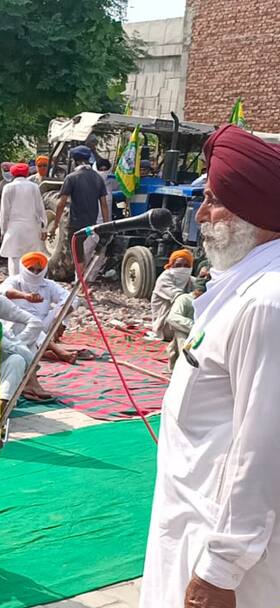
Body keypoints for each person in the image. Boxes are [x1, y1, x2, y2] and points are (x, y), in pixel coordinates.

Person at [140, 125, 280, 607]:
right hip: (189, 517)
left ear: (257, 213)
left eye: (215, 201)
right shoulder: (242, 284)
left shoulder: (268, 302)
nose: (200, 214)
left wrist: (220, 569)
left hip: (223, 550)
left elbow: (264, 448)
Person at [0, 251, 82, 362]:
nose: (35, 273)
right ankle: (57, 350)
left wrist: (59, 318)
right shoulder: (14, 281)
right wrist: (25, 296)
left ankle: (41, 349)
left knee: (67, 303)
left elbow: (71, 298)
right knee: (25, 322)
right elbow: (5, 291)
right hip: (18, 326)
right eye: (31, 269)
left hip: (43, 324)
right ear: (23, 269)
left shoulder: (48, 284)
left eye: (39, 270)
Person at [50, 145, 110, 279]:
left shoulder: (71, 178)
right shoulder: (98, 178)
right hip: (92, 224)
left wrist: (55, 224)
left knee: (78, 253)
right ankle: (83, 281)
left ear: (75, 161)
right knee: (85, 250)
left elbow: (61, 203)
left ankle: (81, 283)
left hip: (76, 224)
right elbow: (104, 205)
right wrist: (106, 225)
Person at [0, 163, 46, 275]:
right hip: (32, 228)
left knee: (14, 258)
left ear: (12, 174)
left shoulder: (8, 187)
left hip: (14, 228)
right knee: (31, 258)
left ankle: (15, 286)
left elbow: (4, 212)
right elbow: (41, 209)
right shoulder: (34, 187)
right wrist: (44, 228)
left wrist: (3, 231)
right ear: (27, 173)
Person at [149, 249, 193, 340]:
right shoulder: (164, 279)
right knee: (185, 299)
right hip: (165, 324)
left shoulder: (190, 280)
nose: (182, 268)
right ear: (171, 266)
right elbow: (179, 296)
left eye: (186, 266)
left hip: (182, 322)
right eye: (178, 265)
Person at [163, 275, 205, 369]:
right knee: (180, 332)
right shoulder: (185, 299)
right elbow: (172, 318)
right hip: (186, 330)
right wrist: (194, 326)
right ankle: (184, 364)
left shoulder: (209, 301)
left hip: (202, 333)